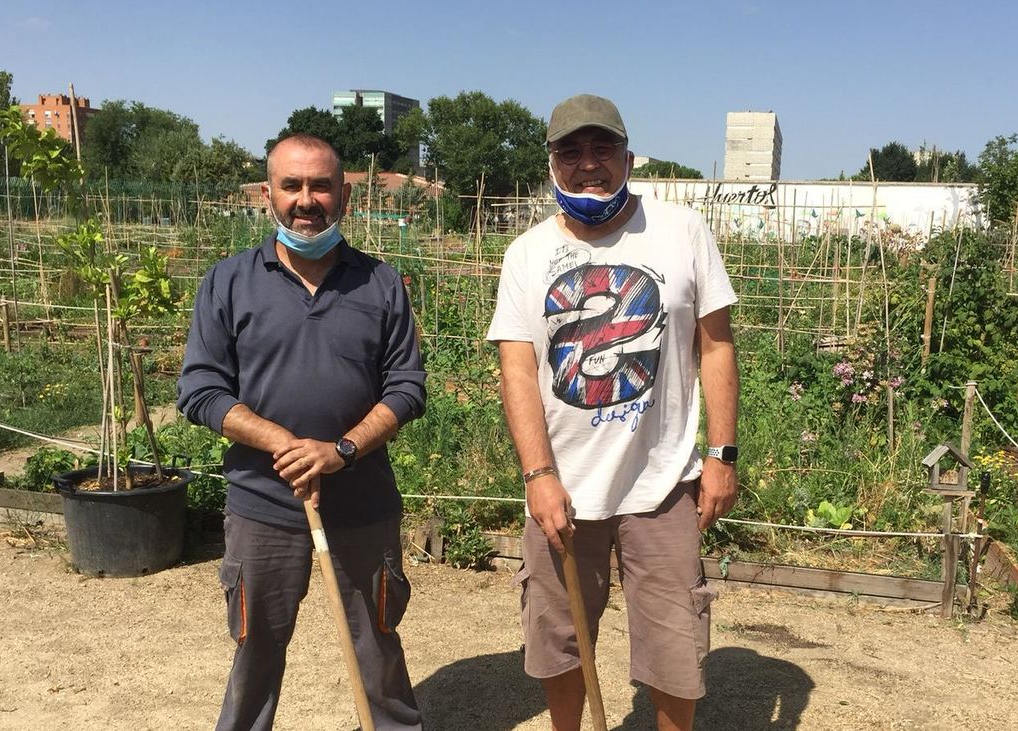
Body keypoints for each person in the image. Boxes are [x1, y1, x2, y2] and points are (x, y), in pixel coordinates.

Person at [486, 94, 740, 731]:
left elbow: (716, 345)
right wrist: (538, 476)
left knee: (675, 638)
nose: (587, 165)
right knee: (557, 632)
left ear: (628, 155)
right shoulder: (527, 254)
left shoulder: (682, 232)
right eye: (570, 152)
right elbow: (517, 369)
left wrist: (722, 452)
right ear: (551, 162)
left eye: (602, 149)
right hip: (562, 485)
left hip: (663, 482)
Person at [177, 133, 426, 731]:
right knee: (255, 652)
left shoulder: (380, 283)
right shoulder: (230, 282)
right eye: (292, 185)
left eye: (320, 185)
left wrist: (340, 451)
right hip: (264, 505)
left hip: (362, 505)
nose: (306, 199)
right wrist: (281, 444)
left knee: (378, 649)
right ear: (269, 194)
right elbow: (201, 391)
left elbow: (407, 388)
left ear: (344, 193)